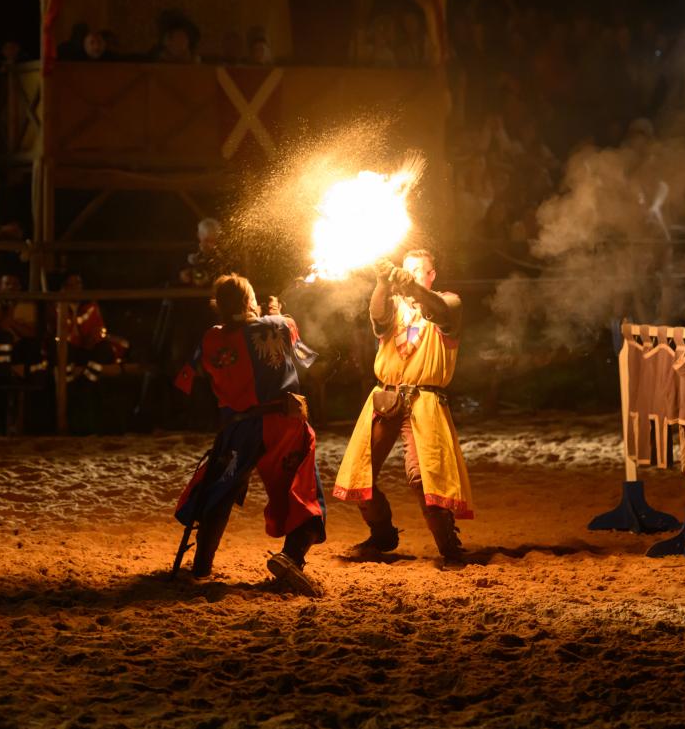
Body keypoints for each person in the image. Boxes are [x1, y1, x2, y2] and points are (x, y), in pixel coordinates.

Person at [173, 274, 325, 593]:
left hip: (236, 427)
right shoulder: (280, 325)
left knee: (221, 491)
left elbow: (190, 377)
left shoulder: (210, 338)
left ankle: (201, 566)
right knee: (304, 491)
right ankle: (291, 558)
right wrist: (275, 315)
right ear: (248, 302)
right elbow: (307, 359)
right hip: (281, 425)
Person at [333, 249, 473, 563]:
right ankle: (382, 535)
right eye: (408, 269)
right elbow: (377, 315)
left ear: (432, 274)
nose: (412, 274)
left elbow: (438, 309)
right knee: (362, 474)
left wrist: (412, 287)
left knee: (423, 477)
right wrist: (383, 282)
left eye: (420, 270)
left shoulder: (449, 301)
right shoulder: (394, 306)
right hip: (386, 396)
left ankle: (449, 546)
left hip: (424, 399)